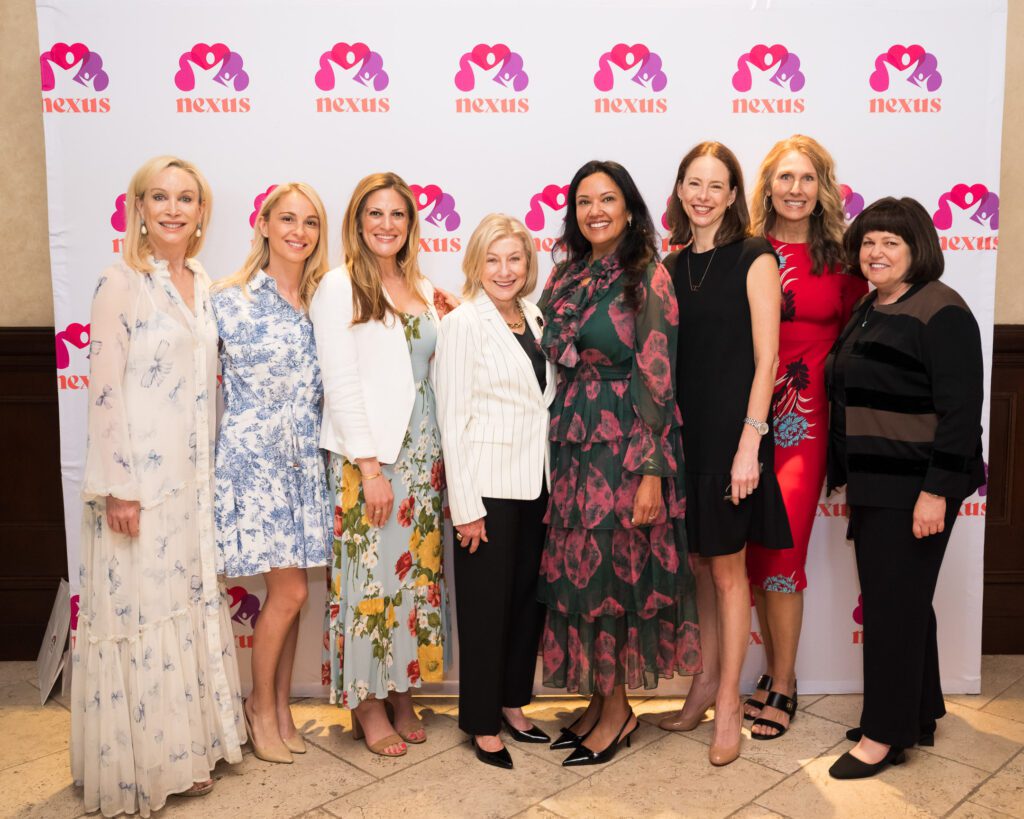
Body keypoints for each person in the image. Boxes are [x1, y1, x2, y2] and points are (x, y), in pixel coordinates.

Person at [71, 156, 245, 816]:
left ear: (202, 213)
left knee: (182, 607)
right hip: (138, 490)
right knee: (141, 617)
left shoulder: (201, 282)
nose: (173, 209)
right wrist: (117, 486)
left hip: (190, 486)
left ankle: (190, 751)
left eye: (187, 198)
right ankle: (142, 763)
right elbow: (106, 392)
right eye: (159, 197)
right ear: (138, 207)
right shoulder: (120, 283)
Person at [538, 160, 701, 768]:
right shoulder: (565, 276)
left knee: (616, 576)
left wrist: (654, 470)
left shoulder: (646, 276)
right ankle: (598, 696)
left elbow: (659, 375)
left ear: (629, 208)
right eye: (584, 201)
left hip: (627, 446)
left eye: (608, 199)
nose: (595, 211)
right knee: (581, 573)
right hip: (574, 441)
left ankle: (619, 711)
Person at [825, 197, 984, 779]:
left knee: (892, 608)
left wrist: (936, 491)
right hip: (876, 482)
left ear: (919, 246)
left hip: (915, 485)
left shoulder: (941, 309)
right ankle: (916, 712)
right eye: (869, 241)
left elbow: (963, 412)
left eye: (891, 241)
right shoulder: (871, 307)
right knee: (906, 601)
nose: (877, 252)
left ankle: (882, 735)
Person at [660, 142, 792, 766]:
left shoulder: (755, 256)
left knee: (728, 570)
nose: (703, 195)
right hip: (681, 437)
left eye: (716, 185)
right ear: (681, 189)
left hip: (731, 438)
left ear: (735, 194)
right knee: (698, 569)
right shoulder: (672, 262)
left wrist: (750, 442)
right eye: (694, 183)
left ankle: (731, 704)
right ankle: (705, 683)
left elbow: (768, 359)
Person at [310, 172, 449, 757]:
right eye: (375, 214)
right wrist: (368, 469)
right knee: (369, 582)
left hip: (423, 458)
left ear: (410, 224)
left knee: (412, 581)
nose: (386, 225)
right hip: (371, 460)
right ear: (357, 222)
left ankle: (400, 689)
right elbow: (339, 385)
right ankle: (367, 702)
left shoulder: (420, 284)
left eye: (397, 214)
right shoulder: (340, 286)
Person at [742, 135, 868, 739]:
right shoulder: (746, 251)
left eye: (807, 178)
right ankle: (767, 673)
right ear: (766, 186)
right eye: (784, 177)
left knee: (785, 550)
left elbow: (864, 342)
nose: (795, 189)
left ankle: (785, 682)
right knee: (753, 554)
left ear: (822, 188)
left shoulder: (846, 262)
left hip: (805, 422)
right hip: (745, 421)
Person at [212, 183, 332, 763]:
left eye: (310, 222)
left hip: (305, 459)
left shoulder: (323, 299)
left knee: (294, 598)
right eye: (287, 219)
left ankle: (280, 708)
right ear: (263, 224)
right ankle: (258, 707)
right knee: (287, 590)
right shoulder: (228, 298)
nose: (298, 232)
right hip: (254, 462)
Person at [435, 214, 557, 769]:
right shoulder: (464, 323)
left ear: (528, 264)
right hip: (486, 492)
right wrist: (466, 508)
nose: (504, 271)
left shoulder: (534, 316)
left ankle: (512, 703)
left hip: (536, 485)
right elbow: (452, 420)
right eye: (493, 259)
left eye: (515, 259)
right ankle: (482, 723)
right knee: (486, 610)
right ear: (475, 264)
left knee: (526, 605)